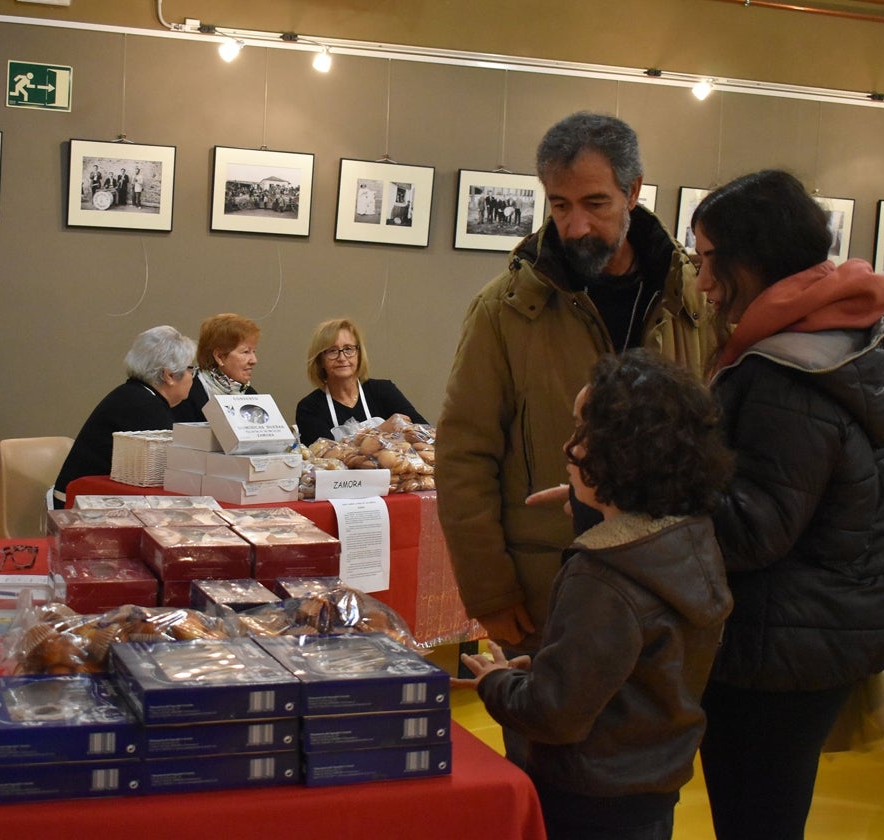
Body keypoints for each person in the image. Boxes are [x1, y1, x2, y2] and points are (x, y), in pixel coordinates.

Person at [437, 111, 712, 656]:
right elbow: (465, 454)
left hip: (673, 582)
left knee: (657, 739)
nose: (576, 226)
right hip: (551, 585)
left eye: (595, 204)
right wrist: (489, 588)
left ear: (632, 191)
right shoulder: (505, 309)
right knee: (548, 737)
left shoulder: (696, 297)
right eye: (560, 205)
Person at [689, 169, 884, 840]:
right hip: (823, 630)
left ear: (750, 258)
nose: (700, 282)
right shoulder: (849, 336)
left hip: (775, 649)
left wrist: (650, 482)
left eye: (707, 260)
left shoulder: (784, 371)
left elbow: (754, 529)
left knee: (755, 817)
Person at [455, 349, 733, 840]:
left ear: (619, 452)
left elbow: (556, 713)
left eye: (581, 431)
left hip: (588, 798)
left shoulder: (603, 577)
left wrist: (497, 682)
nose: (567, 448)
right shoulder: (688, 540)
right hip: (651, 786)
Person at [53, 325, 197, 504]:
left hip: (92, 498)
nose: (193, 376)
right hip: (80, 505)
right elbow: (176, 468)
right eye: (191, 369)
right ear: (169, 376)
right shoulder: (144, 406)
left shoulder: (133, 394)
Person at [295, 317, 427, 445]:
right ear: (320, 360)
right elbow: (323, 455)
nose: (342, 357)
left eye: (348, 349)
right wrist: (379, 432)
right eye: (332, 351)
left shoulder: (383, 391)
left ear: (359, 354)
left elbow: (426, 433)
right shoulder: (310, 408)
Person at [171, 313, 260, 423]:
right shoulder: (188, 392)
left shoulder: (250, 395)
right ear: (219, 356)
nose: (254, 360)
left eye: (254, 351)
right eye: (246, 352)